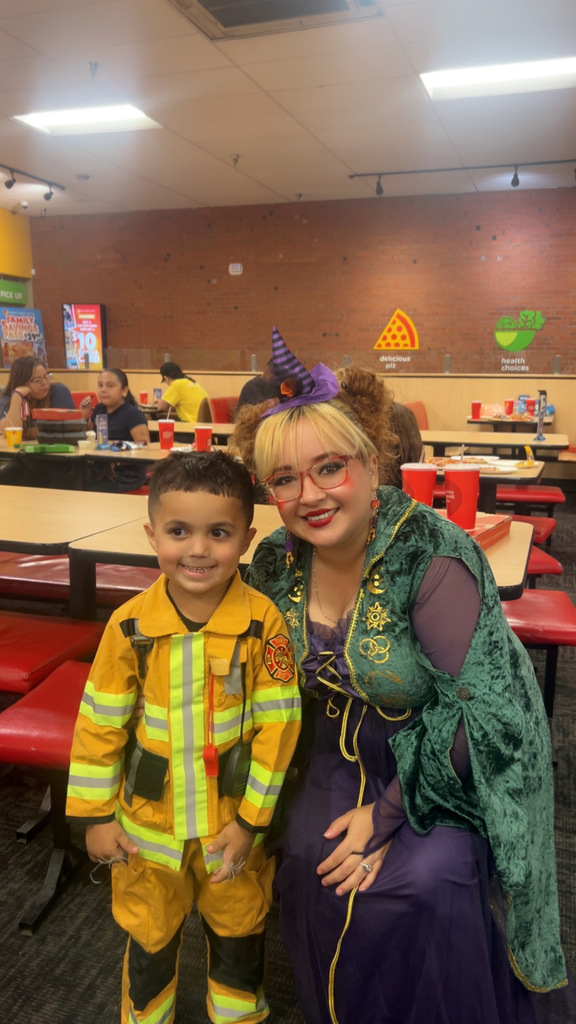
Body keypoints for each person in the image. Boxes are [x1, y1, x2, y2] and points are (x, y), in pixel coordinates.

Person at [233, 328, 566, 1024]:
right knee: (306, 866)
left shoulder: (428, 554)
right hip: (324, 750)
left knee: (423, 883)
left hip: (440, 756)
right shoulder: (272, 560)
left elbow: (481, 716)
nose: (311, 495)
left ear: (371, 460)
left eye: (330, 467)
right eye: (285, 479)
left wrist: (388, 816)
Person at [66, 450, 301, 1024]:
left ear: (246, 538)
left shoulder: (261, 622)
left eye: (218, 533)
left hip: (231, 828)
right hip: (150, 829)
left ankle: (239, 1017)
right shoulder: (129, 626)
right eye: (178, 531)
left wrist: (251, 822)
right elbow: (99, 727)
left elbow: (279, 727)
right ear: (152, 534)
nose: (198, 549)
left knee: (240, 935)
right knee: (148, 940)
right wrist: (95, 817)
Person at [80, 368, 150, 492]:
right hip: (100, 469)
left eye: (110, 386)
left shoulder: (132, 414)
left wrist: (113, 459)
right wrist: (84, 417)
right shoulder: (99, 409)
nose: (103, 389)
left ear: (124, 391)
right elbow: (89, 437)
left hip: (125, 474)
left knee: (85, 488)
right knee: (66, 481)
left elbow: (143, 446)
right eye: (100, 385)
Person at [0, 356, 75, 438]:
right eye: (37, 380)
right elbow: (11, 433)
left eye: (46, 376)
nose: (44, 383)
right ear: (22, 383)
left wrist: (26, 433)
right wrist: (17, 396)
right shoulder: (9, 399)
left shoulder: (58, 391)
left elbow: (64, 428)